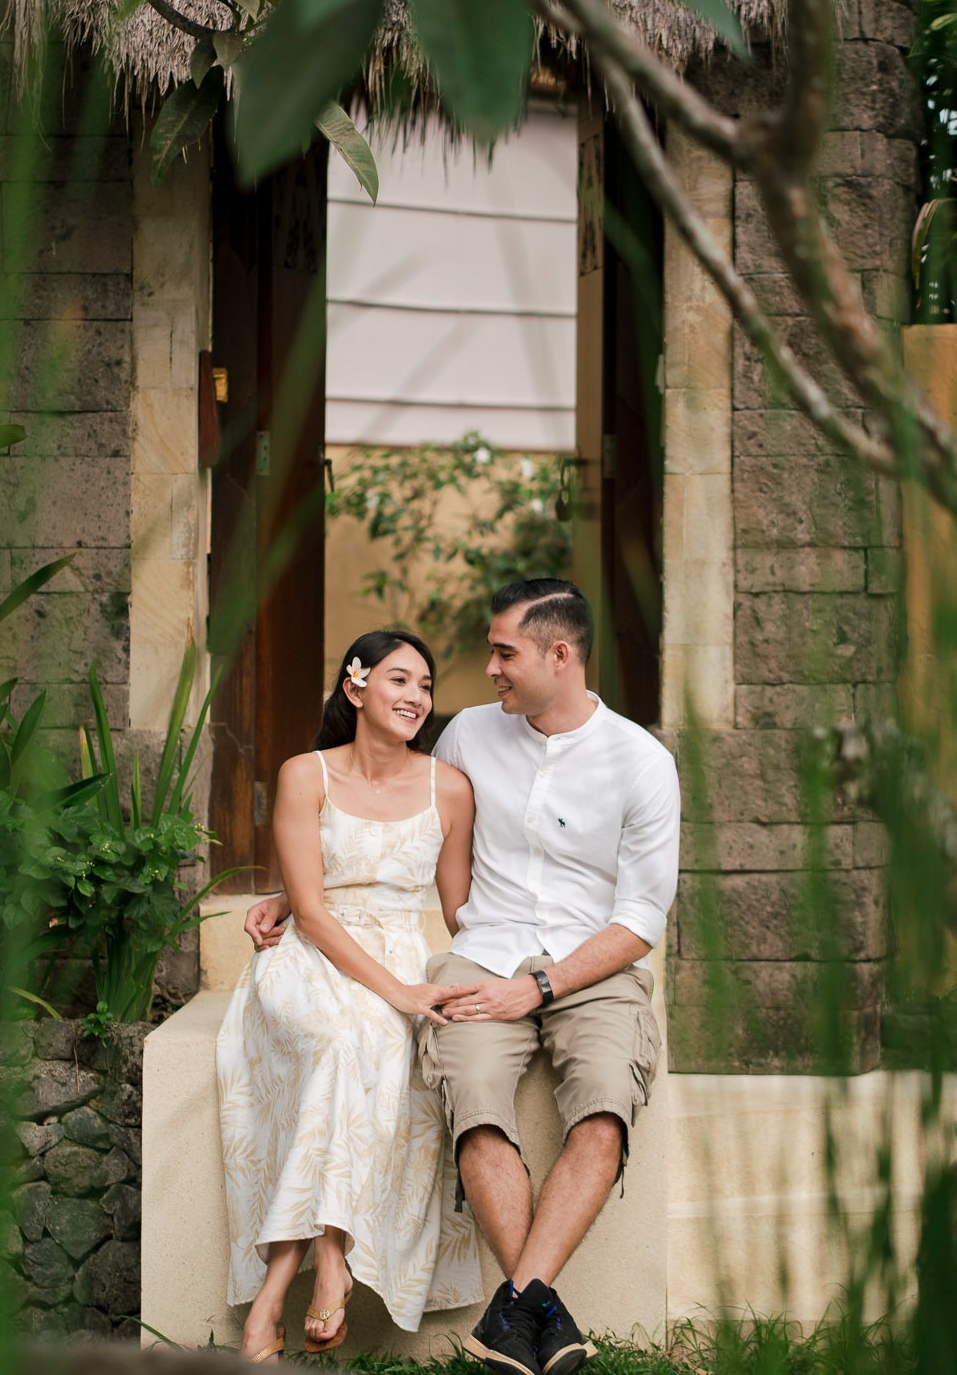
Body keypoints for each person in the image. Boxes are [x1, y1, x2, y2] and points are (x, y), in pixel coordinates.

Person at [248, 580, 678, 1375]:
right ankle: (539, 1312)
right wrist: (298, 892)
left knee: (604, 1110)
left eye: (504, 653)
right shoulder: (469, 738)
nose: (490, 671)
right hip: (480, 958)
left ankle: (513, 1310)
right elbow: (396, 832)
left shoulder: (642, 762)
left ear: (560, 653)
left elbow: (641, 920)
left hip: (594, 970)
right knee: (474, 1100)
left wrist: (541, 988)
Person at [216, 630, 488, 1362]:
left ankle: (276, 1295)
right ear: (355, 686)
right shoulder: (306, 775)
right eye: (400, 679)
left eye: (427, 686)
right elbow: (311, 908)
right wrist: (398, 990)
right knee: (343, 1039)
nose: (417, 697)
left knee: (371, 1037)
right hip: (307, 957)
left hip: (398, 949)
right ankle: (332, 1259)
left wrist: (503, 975)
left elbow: (462, 911)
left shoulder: (448, 787)